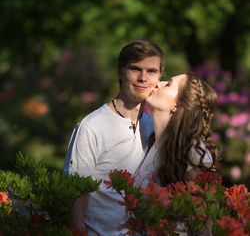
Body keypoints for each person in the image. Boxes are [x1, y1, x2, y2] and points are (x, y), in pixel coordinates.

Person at [63, 39, 166, 235]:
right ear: (120, 72)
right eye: (135, 69)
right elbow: (75, 195)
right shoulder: (92, 127)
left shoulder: (154, 126)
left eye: (151, 71)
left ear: (160, 76)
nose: (143, 78)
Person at [134, 71, 220, 235]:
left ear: (177, 105)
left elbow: (210, 216)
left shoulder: (194, 150)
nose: (157, 83)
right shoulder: (149, 144)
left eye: (168, 84)